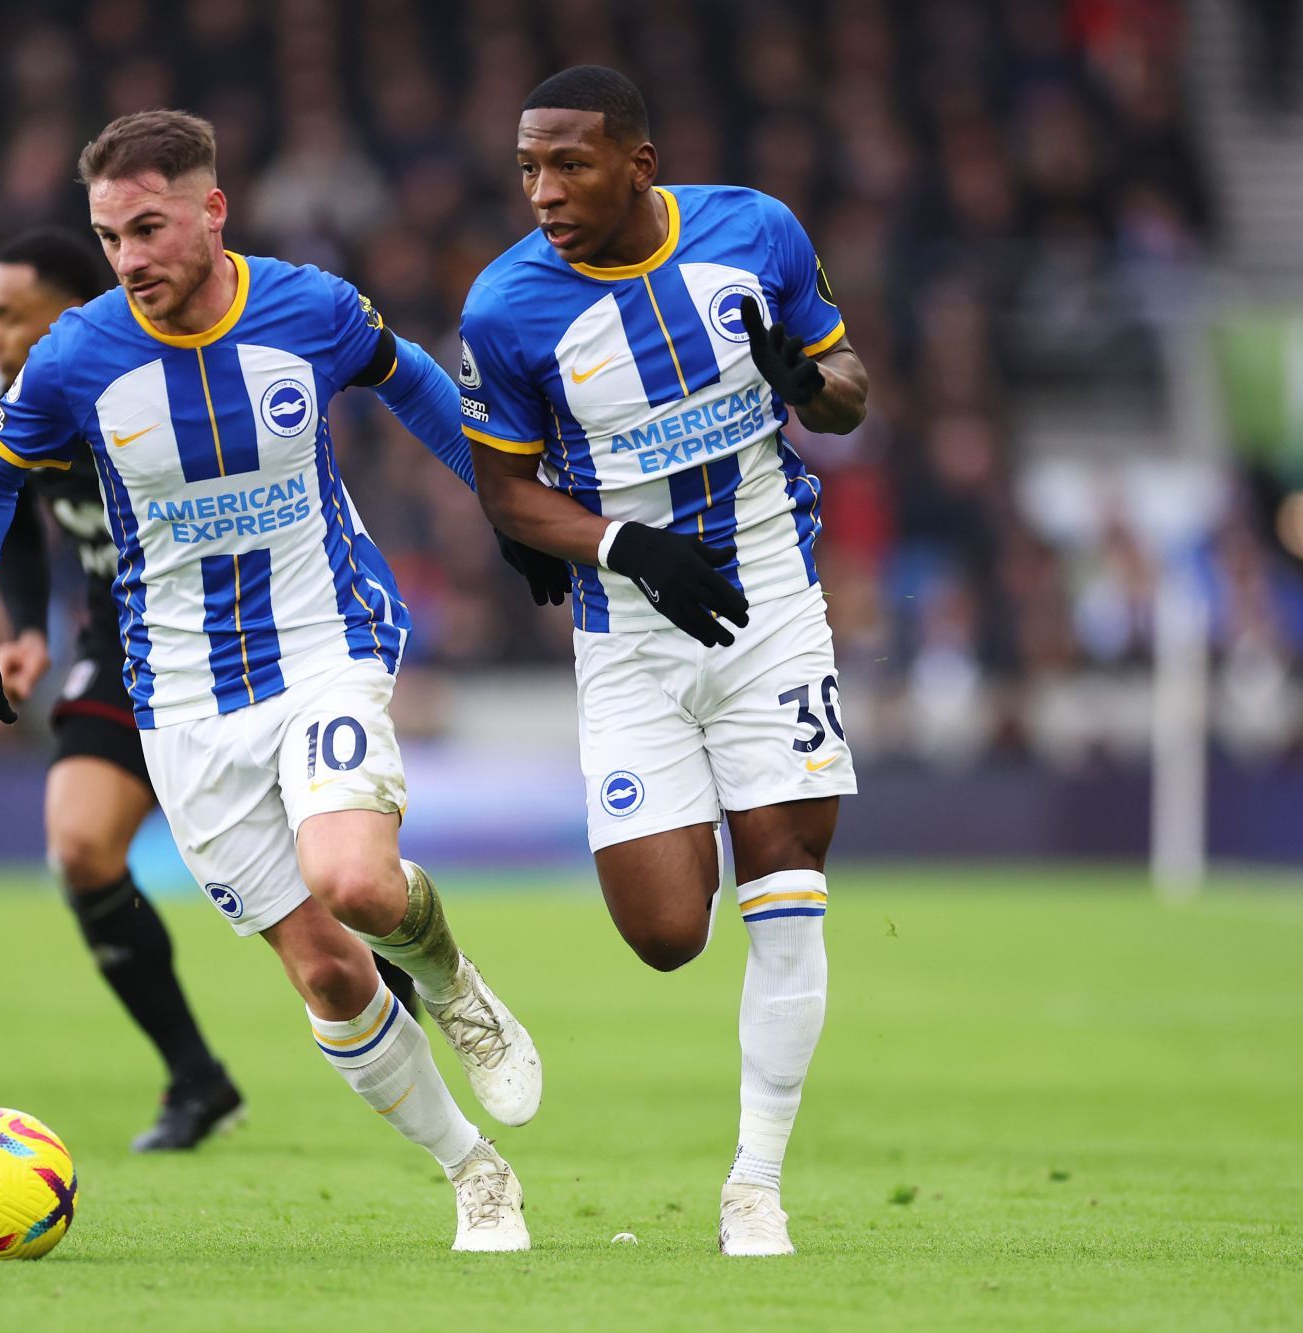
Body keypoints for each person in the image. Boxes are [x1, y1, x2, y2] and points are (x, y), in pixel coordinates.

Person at [0, 110, 543, 1252]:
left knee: (354, 882)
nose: (131, 259)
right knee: (322, 968)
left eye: (150, 228)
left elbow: (408, 382)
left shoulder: (307, 305)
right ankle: (474, 1170)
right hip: (183, 702)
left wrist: (507, 509)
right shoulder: (75, 357)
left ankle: (454, 982)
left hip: (322, 647)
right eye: (111, 238)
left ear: (213, 212)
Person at [458, 66, 870, 1257]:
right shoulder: (504, 308)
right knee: (666, 933)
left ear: (638, 164)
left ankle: (756, 1187)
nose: (543, 190)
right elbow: (505, 495)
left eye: (568, 164)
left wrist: (808, 386)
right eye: (529, 167)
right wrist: (624, 545)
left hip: (773, 608)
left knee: (785, 881)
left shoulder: (755, 231)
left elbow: (847, 386)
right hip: (629, 638)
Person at [0, 228, 421, 1151]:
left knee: (328, 874)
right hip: (118, 633)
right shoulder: (15, 396)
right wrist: (21, 627)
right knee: (79, 846)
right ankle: (195, 1077)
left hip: (245, 636)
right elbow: (9, 510)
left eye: (6, 319)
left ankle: (393, 952)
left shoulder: (151, 369)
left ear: (63, 317)